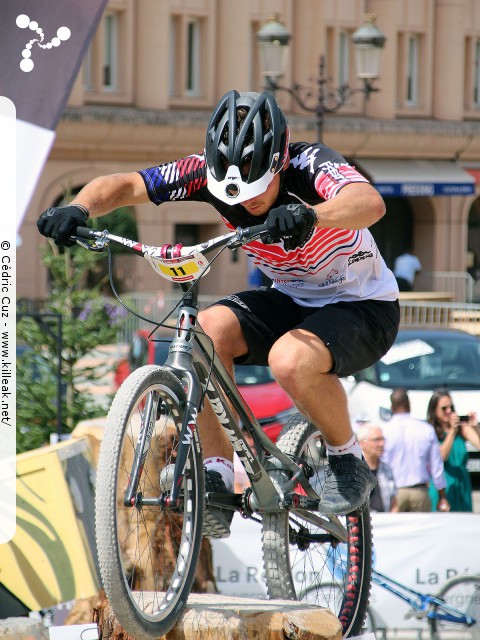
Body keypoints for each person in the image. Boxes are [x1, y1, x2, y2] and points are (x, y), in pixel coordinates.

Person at [37, 89, 400, 537]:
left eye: (257, 189)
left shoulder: (310, 163)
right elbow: (128, 184)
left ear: (280, 163)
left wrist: (309, 214)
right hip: (289, 294)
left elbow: (370, 203)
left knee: (289, 360)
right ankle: (216, 474)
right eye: (235, 194)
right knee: (206, 332)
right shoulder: (203, 174)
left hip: (362, 303)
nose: (246, 203)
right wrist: (79, 207)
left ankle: (347, 459)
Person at [382, 388, 449, 512]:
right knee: (421, 531)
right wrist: (442, 496)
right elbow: (437, 466)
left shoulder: (384, 431)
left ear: (392, 407)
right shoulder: (426, 429)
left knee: (396, 530)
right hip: (419, 492)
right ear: (409, 405)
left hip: (395, 493)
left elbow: (380, 463)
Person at [427, 388, 480, 512]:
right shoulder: (431, 431)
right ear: (434, 410)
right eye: (444, 408)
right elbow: (441, 457)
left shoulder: (462, 429)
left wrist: (475, 426)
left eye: (451, 407)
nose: (449, 411)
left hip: (462, 483)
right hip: (443, 485)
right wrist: (452, 431)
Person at [357, 423, 398, 512]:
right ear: (362, 444)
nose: (381, 444)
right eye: (376, 440)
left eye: (382, 439)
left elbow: (394, 502)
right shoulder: (354, 471)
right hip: (364, 524)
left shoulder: (386, 469)